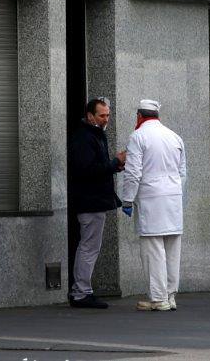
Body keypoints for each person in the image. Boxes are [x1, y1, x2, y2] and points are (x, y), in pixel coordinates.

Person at [119, 99, 186, 312]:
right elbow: (183, 173)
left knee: (153, 249)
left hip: (151, 199)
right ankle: (170, 295)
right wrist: (177, 196)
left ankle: (158, 298)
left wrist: (127, 198)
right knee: (172, 249)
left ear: (139, 116)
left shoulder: (138, 137)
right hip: (173, 198)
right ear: (157, 115)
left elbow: (133, 172)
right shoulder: (174, 136)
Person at [68, 97, 126, 309]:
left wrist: (113, 166)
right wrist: (114, 162)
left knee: (90, 245)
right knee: (89, 246)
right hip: (90, 201)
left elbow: (95, 167)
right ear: (90, 115)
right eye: (102, 115)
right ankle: (81, 292)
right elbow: (87, 170)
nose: (105, 119)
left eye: (108, 115)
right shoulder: (85, 138)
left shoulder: (94, 135)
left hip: (94, 200)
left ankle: (82, 290)